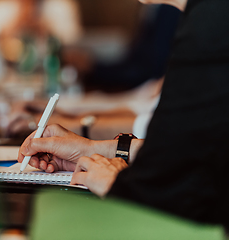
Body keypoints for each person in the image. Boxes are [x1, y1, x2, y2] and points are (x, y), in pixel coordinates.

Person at [18, 0, 229, 228]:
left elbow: (176, 192)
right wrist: (97, 149)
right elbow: (193, 146)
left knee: (51, 216)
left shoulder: (213, 18)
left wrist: (120, 184)